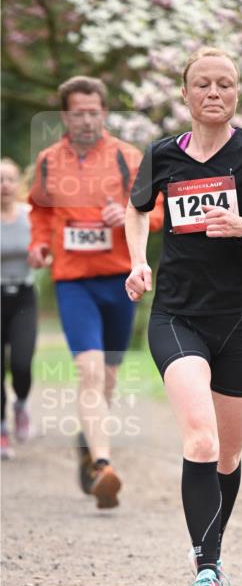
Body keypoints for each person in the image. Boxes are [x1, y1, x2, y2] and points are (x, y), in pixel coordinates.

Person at [125, 47, 242, 586]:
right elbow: (136, 209)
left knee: (227, 456)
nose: (213, 93)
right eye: (201, 84)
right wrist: (138, 261)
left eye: (224, 84)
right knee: (199, 438)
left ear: (236, 94)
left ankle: (212, 557)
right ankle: (207, 573)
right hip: (177, 315)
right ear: (184, 94)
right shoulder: (161, 155)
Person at [28, 76, 163, 506]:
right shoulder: (49, 161)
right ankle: (104, 464)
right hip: (73, 282)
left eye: (93, 111)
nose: (86, 120)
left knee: (106, 379)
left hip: (119, 280)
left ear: (103, 112)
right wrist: (39, 244)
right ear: (65, 115)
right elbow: (39, 212)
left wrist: (124, 217)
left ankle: (89, 444)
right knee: (88, 370)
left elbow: (156, 211)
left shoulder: (128, 158)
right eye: (77, 112)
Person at [1, 158, 38, 460]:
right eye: (0, 180)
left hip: (25, 296)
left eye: (10, 179)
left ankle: (21, 404)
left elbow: (45, 251)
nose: (5, 185)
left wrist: (44, 258)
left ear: (18, 185)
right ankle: (2, 428)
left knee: (22, 363)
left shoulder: (30, 216)